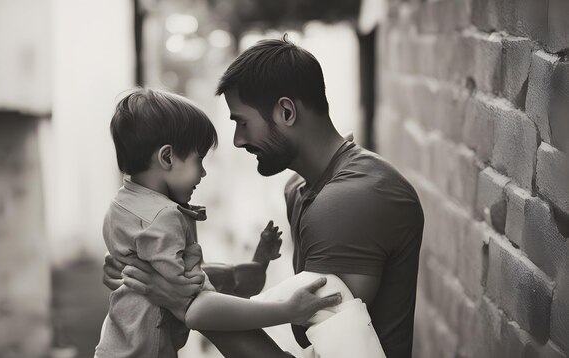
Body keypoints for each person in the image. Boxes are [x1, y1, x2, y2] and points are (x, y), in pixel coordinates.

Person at [104, 35, 424, 358]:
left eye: (242, 122)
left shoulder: (349, 202)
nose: (238, 140)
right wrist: (143, 269)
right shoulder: (301, 189)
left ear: (286, 111)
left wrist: (177, 299)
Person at [95, 88, 342, 358]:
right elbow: (199, 303)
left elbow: (219, 280)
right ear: (166, 157)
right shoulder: (165, 217)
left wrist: (258, 262)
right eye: (198, 160)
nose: (202, 172)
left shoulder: (121, 204)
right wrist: (287, 310)